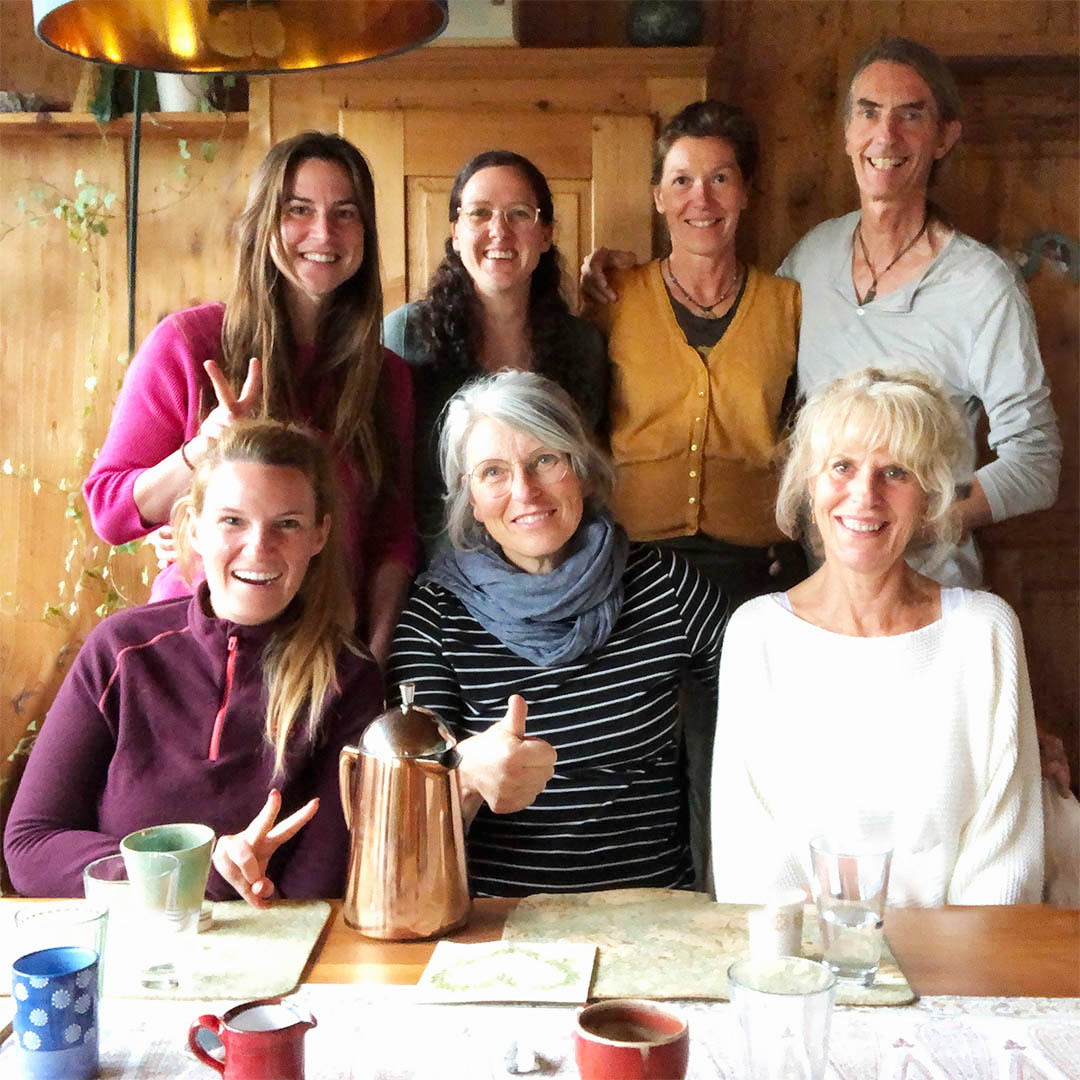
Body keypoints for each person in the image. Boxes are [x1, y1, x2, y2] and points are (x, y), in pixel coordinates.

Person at [583, 41, 1061, 588]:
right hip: (809, 589)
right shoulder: (811, 260)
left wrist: (908, 525)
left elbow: (1035, 462)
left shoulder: (981, 286)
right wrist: (605, 277)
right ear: (848, 133)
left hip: (926, 590)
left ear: (944, 137)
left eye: (910, 115)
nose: (886, 136)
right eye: (869, 113)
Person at [6, 421, 383, 905]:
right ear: (194, 528)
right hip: (122, 937)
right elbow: (30, 847)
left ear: (319, 534)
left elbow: (317, 889)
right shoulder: (120, 649)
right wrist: (192, 872)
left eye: (287, 523)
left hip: (270, 940)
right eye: (232, 521)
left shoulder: (348, 677)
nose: (259, 546)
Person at [709, 369, 1044, 906]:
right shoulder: (758, 633)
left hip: (964, 953)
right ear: (811, 484)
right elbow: (748, 850)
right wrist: (827, 952)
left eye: (895, 472)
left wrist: (943, 958)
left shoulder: (983, 630)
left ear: (929, 495)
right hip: (807, 952)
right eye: (841, 466)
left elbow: (1006, 854)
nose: (865, 495)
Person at [386, 371, 726, 898]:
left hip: (650, 910)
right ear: (471, 499)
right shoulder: (436, 614)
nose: (525, 491)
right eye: (493, 472)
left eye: (545, 460)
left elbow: (769, 710)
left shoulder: (665, 585)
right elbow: (403, 827)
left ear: (582, 471)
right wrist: (466, 777)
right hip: (498, 918)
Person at [83, 131, 417, 664]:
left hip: (326, 658)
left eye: (345, 213)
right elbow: (110, 510)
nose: (323, 232)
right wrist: (201, 451)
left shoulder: (386, 376)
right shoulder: (189, 343)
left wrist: (374, 658)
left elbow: (392, 537)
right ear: (263, 222)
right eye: (298, 209)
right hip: (198, 653)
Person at [582, 101, 805, 885]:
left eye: (720, 178)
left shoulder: (790, 305)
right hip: (633, 571)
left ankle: (724, 911)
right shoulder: (611, 297)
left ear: (747, 193)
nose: (700, 198)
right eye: (681, 180)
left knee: (732, 765)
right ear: (656, 196)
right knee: (634, 759)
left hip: (752, 573)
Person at [383, 150, 608, 562]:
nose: (499, 231)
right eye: (480, 213)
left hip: (553, 564)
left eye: (519, 214)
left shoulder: (584, 346)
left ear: (545, 234)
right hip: (435, 569)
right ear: (456, 232)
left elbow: (588, 476)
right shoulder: (402, 336)